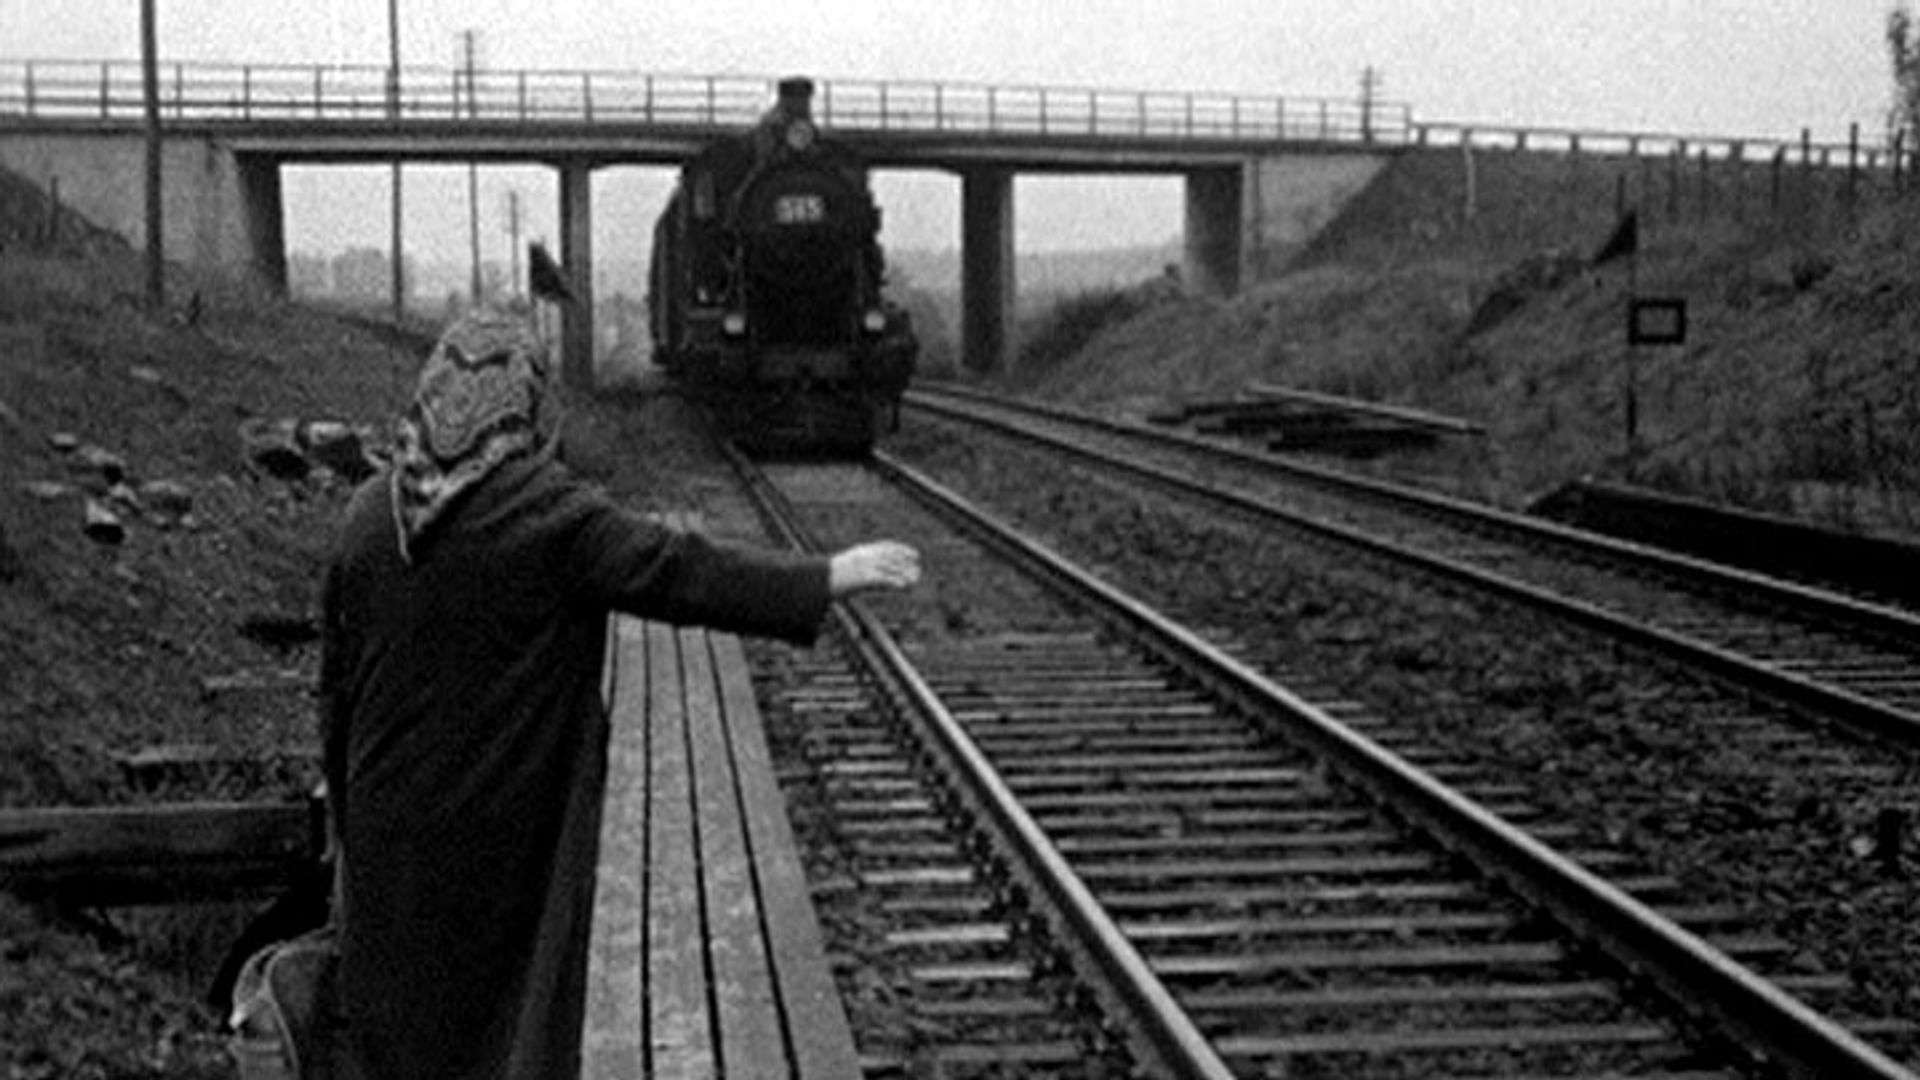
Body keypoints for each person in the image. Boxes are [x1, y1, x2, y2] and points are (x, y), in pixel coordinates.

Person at [317, 307, 919, 1079]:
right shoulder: (544, 512)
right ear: (524, 403)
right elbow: (678, 570)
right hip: (500, 843)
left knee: (395, 1037)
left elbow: (334, 691)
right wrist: (824, 577)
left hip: (385, 830)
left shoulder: (369, 516)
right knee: (508, 1025)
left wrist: (344, 820)